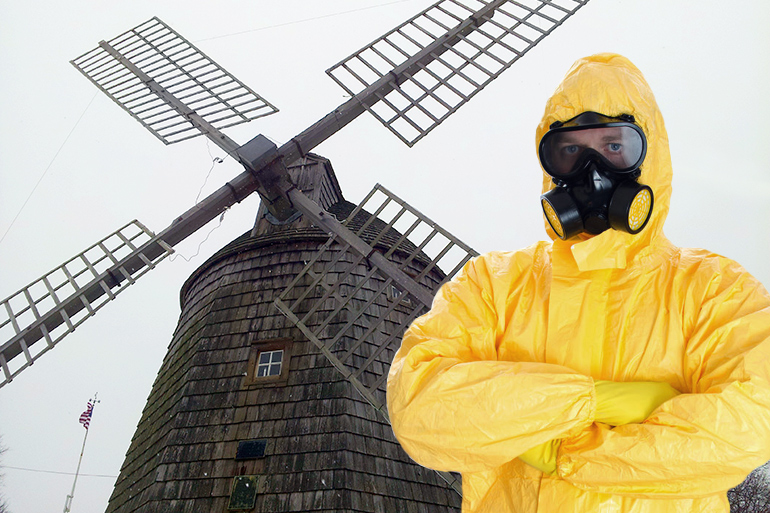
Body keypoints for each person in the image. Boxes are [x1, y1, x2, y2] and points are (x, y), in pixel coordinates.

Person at [386, 53, 770, 513]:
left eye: (613, 146)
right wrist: (595, 402)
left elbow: (750, 421)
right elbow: (420, 405)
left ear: (649, 156)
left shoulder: (714, 289)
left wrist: (552, 447)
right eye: (570, 151)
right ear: (550, 166)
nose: (592, 168)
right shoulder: (492, 283)